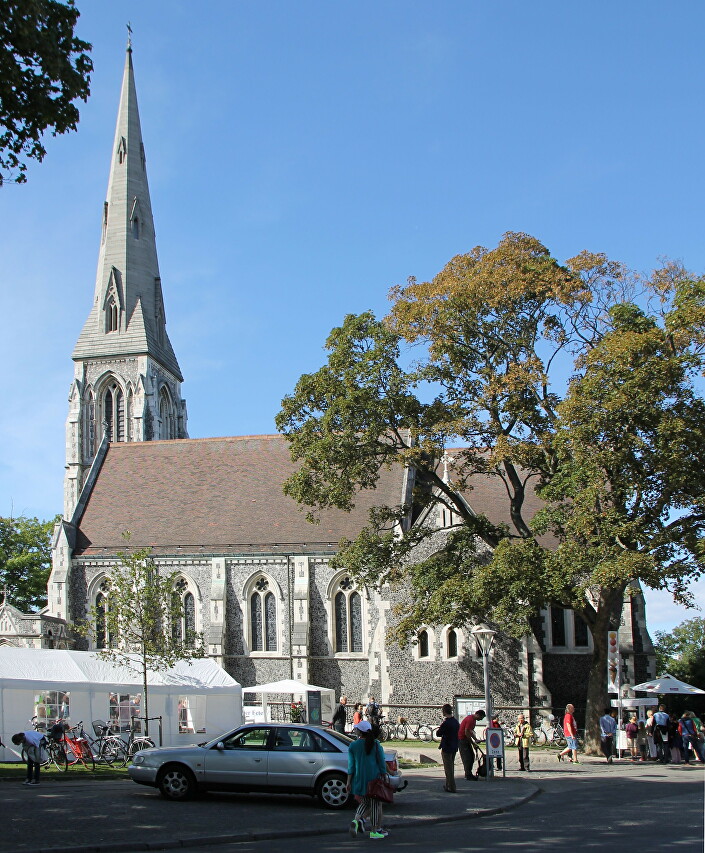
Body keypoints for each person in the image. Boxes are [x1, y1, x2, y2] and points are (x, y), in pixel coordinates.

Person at [347, 720, 389, 839]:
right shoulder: (375, 744)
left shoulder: (353, 745)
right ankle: (374, 830)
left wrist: (348, 782)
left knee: (364, 802)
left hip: (359, 778)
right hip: (374, 778)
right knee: (375, 804)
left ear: (360, 732)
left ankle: (356, 821)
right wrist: (384, 774)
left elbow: (351, 766)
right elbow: (381, 762)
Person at [437, 703, 460, 792]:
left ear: (444, 711)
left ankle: (451, 786)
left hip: (446, 746)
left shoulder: (446, 723)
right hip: (454, 746)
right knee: (451, 767)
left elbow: (438, 733)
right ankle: (448, 785)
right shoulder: (455, 722)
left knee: (448, 768)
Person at [459, 709, 485, 780]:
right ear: (478, 715)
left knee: (472, 756)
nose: (480, 719)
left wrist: (475, 739)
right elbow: (466, 732)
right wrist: (473, 743)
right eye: (481, 718)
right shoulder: (470, 719)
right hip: (462, 739)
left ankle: (468, 773)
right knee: (467, 758)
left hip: (465, 739)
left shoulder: (473, 720)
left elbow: (470, 731)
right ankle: (468, 774)